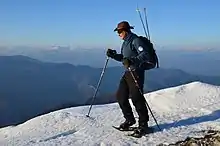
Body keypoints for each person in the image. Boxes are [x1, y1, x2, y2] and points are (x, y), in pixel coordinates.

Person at [106, 21, 152, 136]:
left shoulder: (136, 40)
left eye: (120, 31)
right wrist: (114, 56)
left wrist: (132, 61)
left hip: (137, 72)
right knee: (121, 96)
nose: (118, 34)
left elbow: (145, 55)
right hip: (128, 73)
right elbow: (124, 58)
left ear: (126, 31)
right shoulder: (126, 42)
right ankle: (130, 120)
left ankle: (143, 125)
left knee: (137, 98)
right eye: (118, 32)